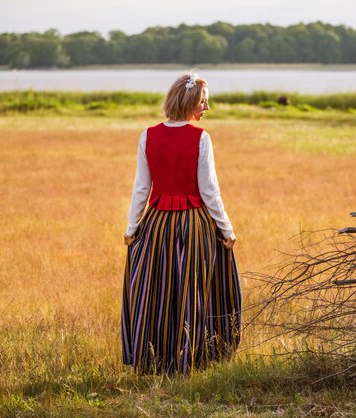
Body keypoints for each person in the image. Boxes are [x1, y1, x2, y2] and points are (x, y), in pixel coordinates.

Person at [121, 70, 241, 375]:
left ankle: (155, 359)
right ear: (189, 102)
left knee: (157, 292)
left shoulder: (148, 135)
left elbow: (141, 188)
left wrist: (132, 228)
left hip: (157, 226)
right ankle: (194, 358)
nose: (207, 108)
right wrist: (226, 229)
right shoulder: (201, 138)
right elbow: (209, 190)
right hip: (194, 226)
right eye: (203, 102)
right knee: (194, 292)